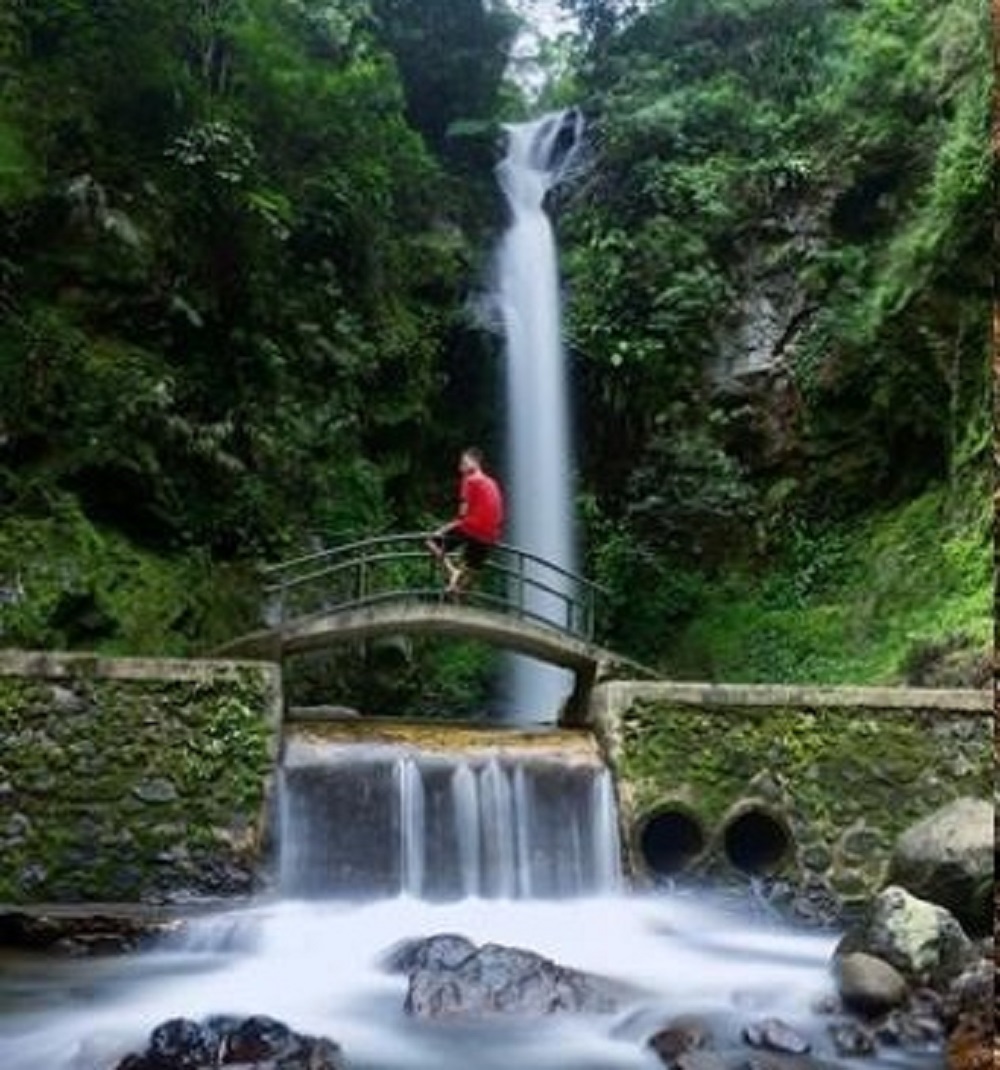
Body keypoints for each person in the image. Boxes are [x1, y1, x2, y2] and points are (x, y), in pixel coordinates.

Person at [426, 447, 504, 595]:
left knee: (431, 542)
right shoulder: (492, 482)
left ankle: (452, 571)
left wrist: (442, 530)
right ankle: (457, 591)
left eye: (463, 462)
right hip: (491, 535)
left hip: (472, 528)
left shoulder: (470, 480)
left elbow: (462, 514)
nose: (460, 466)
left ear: (475, 462)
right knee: (472, 570)